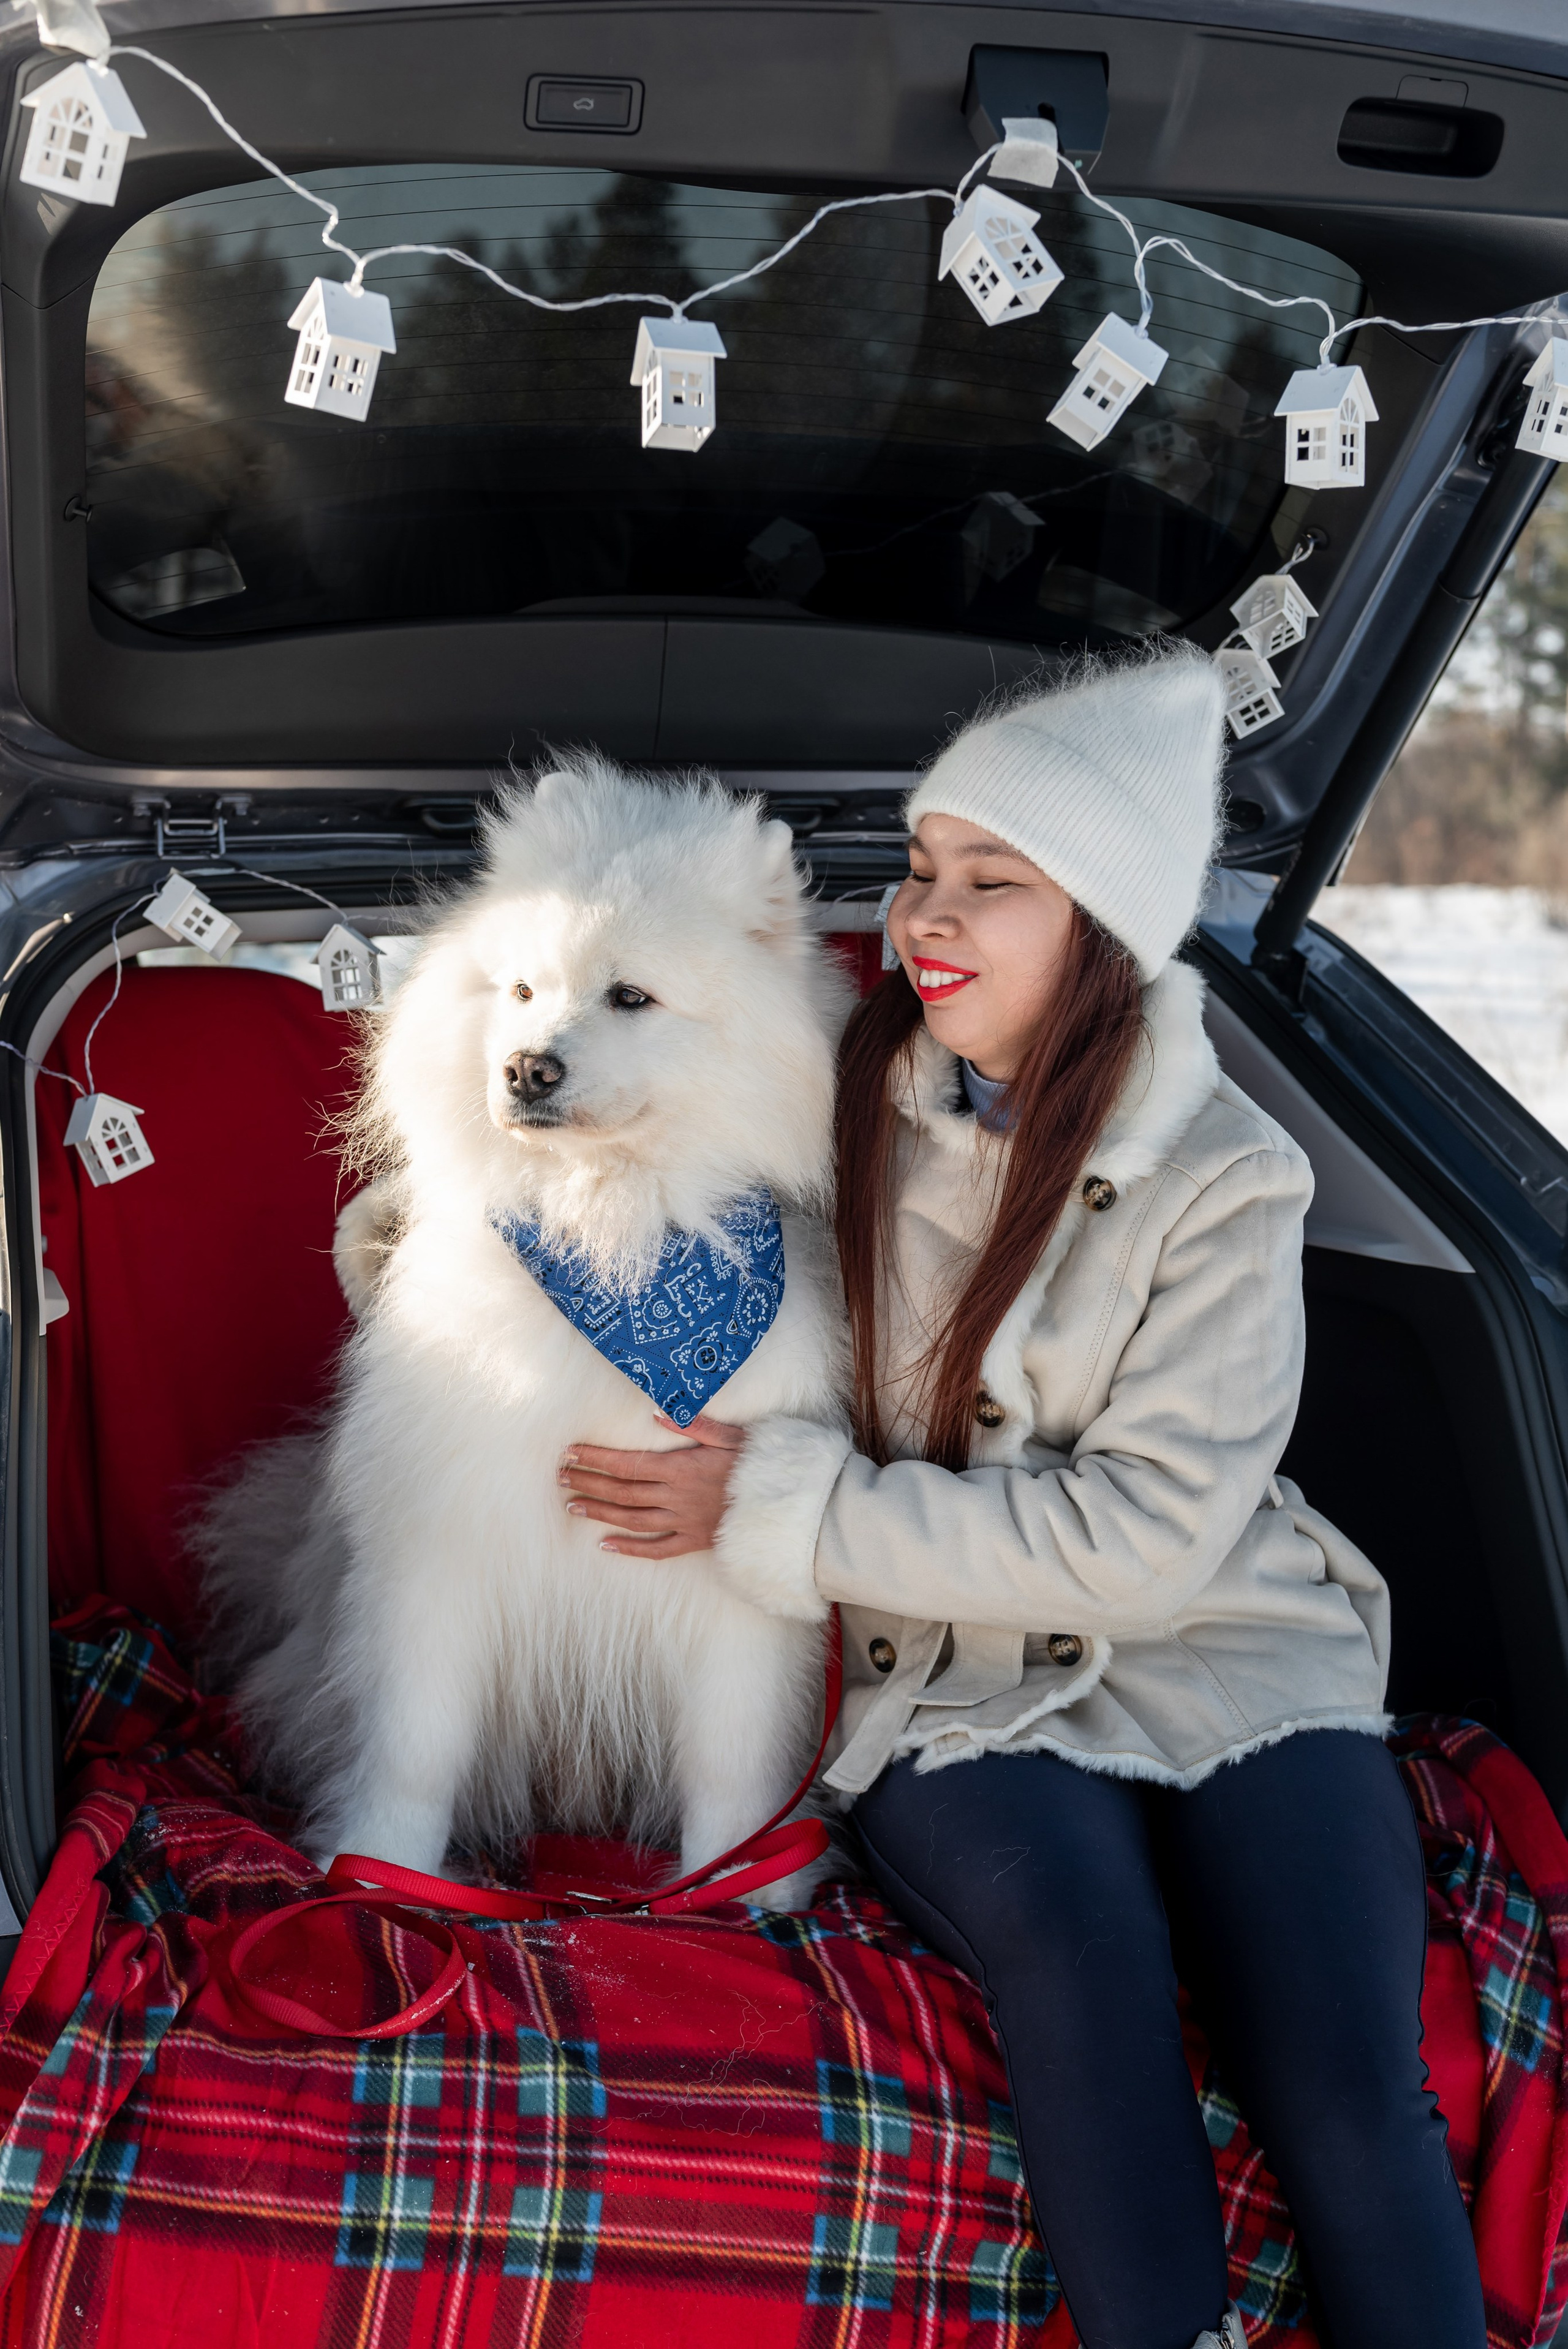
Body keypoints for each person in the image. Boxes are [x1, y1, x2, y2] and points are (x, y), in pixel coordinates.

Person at [557, 648, 1486, 2349]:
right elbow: (644, 1180)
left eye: (996, 882)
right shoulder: (847, 1102)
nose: (930, 912)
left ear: (1106, 933)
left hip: (1235, 1653)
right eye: (922, 866)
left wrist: (785, 1511)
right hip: (958, 1679)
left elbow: (1145, 1536)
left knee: (1353, 2081)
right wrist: (431, 1242)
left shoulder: (1231, 1181)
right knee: (1085, 1963)